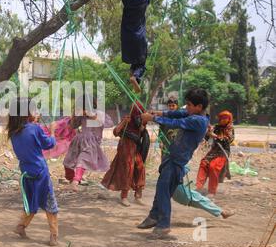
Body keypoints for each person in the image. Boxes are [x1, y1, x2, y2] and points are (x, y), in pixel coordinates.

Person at [137, 88, 210, 236]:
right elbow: (177, 113)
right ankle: (153, 216)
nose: (186, 108)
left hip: (177, 161)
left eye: (189, 105)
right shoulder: (193, 113)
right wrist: (158, 113)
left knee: (163, 191)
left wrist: (152, 118)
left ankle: (163, 224)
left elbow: (177, 121)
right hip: (173, 158)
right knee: (161, 188)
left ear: (199, 107)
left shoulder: (198, 120)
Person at [8, 98, 59, 246]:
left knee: (31, 202)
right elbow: (49, 144)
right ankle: (53, 236)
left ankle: (20, 227)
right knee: (50, 204)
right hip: (40, 172)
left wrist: (34, 122)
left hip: (26, 172)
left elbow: (29, 138)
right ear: (26, 113)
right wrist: (52, 131)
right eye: (33, 110)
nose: (36, 113)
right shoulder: (35, 128)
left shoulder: (13, 132)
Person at [101, 101, 150, 206]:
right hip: (125, 149)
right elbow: (115, 132)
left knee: (140, 168)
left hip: (136, 149)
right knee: (128, 169)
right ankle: (124, 197)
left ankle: (138, 196)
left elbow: (143, 133)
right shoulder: (127, 119)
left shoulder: (142, 122)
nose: (137, 116)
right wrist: (124, 122)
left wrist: (143, 127)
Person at [63, 95, 114, 192]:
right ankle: (72, 181)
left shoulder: (98, 113)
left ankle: (75, 182)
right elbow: (73, 126)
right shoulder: (81, 116)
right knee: (68, 162)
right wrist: (75, 116)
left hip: (91, 143)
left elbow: (109, 123)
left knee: (82, 160)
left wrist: (92, 116)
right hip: (78, 140)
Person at [120, 0, 152, 93]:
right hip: (139, 38)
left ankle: (134, 77)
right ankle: (135, 77)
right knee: (141, 63)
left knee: (136, 61)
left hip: (127, 38)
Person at [196, 110, 235, 198]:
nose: (223, 120)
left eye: (226, 118)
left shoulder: (230, 128)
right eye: (222, 118)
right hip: (214, 151)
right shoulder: (216, 127)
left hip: (223, 152)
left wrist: (215, 136)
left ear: (229, 119)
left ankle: (212, 191)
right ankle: (198, 188)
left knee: (213, 167)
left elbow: (228, 139)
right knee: (203, 163)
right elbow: (206, 137)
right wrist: (208, 132)